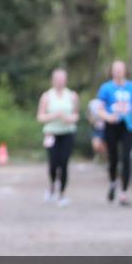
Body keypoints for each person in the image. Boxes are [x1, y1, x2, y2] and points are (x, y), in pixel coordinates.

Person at [96, 60, 132, 206]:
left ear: (125, 71)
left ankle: (124, 193)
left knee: (126, 157)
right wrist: (108, 117)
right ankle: (113, 182)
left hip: (127, 126)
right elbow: (100, 109)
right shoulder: (106, 88)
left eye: (121, 69)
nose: (118, 72)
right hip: (111, 126)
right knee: (113, 158)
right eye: (115, 69)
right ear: (111, 71)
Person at [36, 69, 79, 206]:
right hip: (51, 133)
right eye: (57, 79)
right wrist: (53, 116)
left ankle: (62, 194)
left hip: (67, 133)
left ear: (65, 80)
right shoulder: (47, 96)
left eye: (62, 79)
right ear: (53, 80)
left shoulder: (72, 96)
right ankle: (52, 185)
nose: (60, 81)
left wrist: (68, 118)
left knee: (64, 162)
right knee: (53, 162)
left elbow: (76, 115)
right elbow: (40, 117)